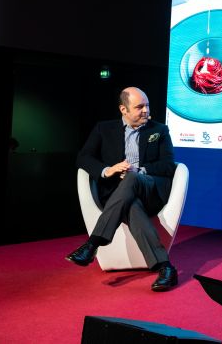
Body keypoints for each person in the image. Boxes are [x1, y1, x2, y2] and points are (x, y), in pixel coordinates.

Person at [65, 87, 179, 292]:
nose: (146, 110)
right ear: (123, 109)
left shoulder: (159, 130)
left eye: (147, 105)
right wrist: (108, 170)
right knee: (131, 206)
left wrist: (138, 170)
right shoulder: (103, 129)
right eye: (139, 107)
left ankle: (93, 244)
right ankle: (166, 268)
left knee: (133, 178)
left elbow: (169, 165)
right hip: (120, 193)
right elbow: (83, 158)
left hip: (149, 188)